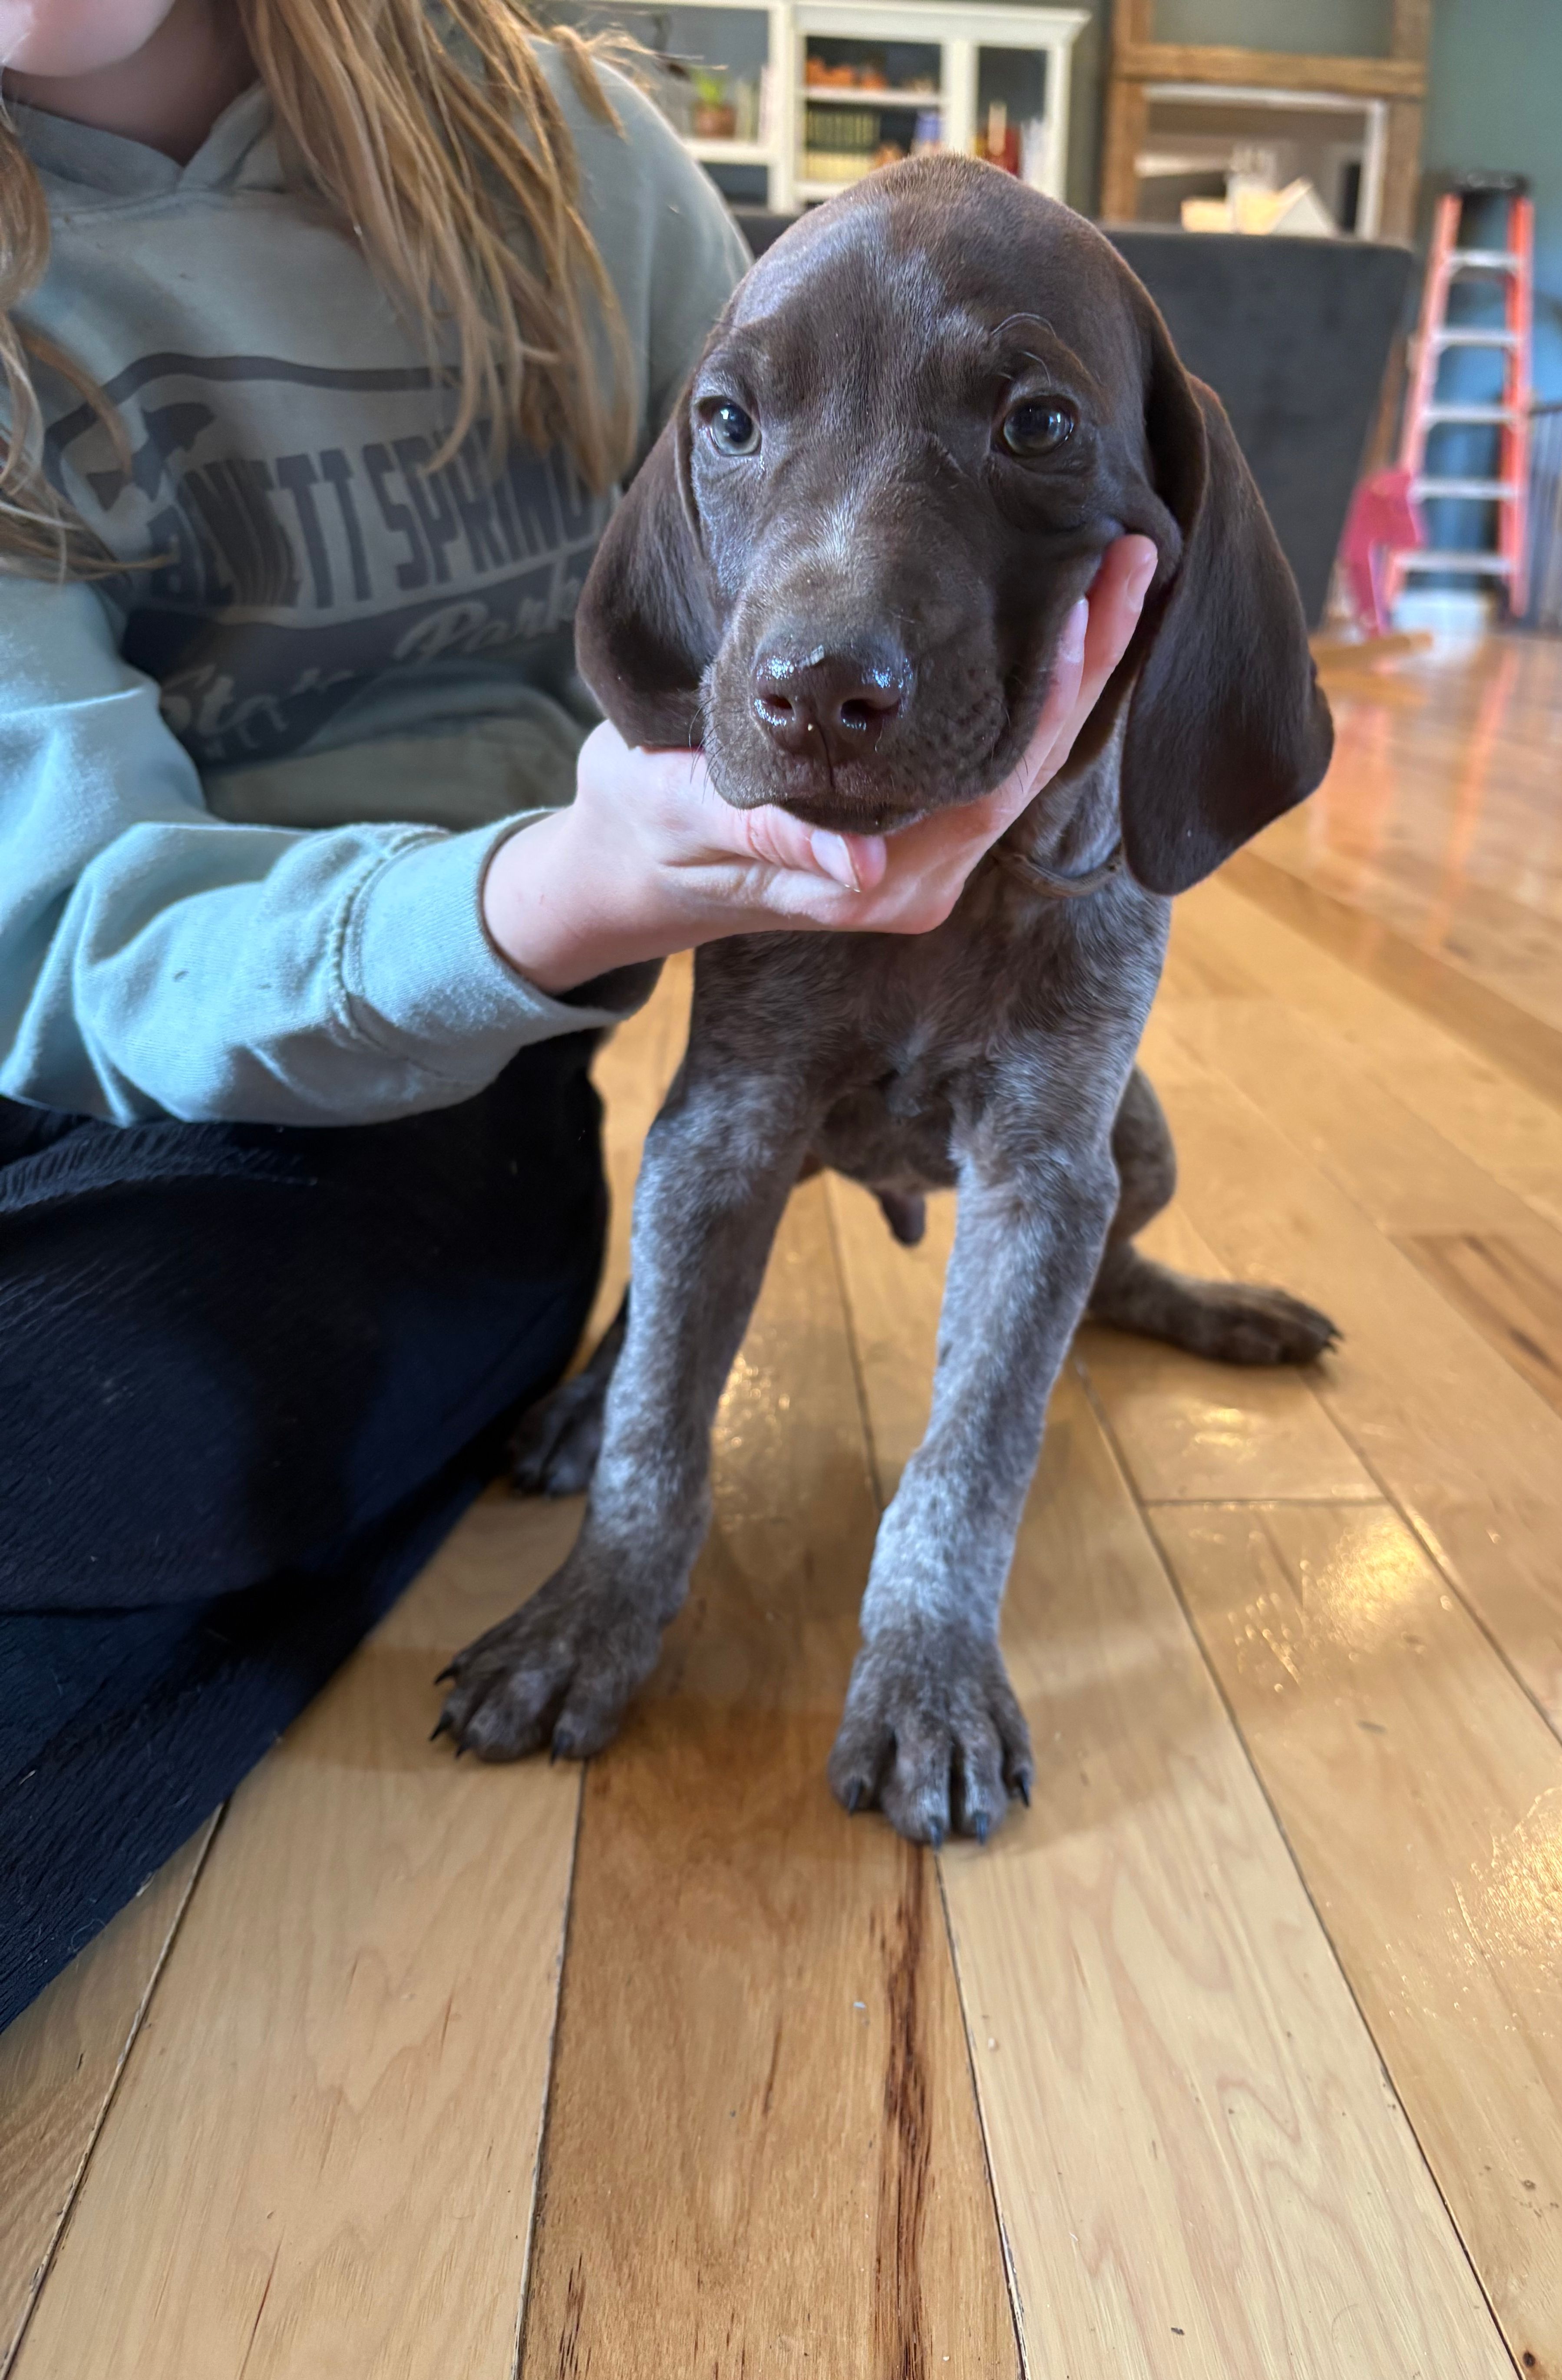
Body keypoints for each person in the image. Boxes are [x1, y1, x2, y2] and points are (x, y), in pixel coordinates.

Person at [0, 0, 1153, 2029]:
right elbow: (63, 930)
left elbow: (826, 474)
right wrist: (581, 876)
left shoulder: (576, 164)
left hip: (416, 1088)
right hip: (91, 996)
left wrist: (593, 884)